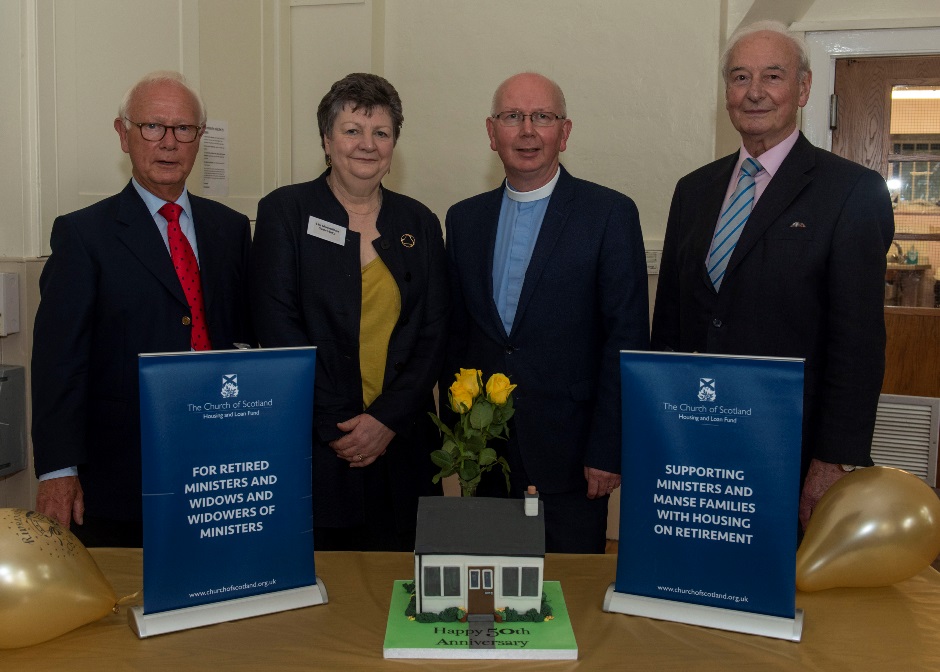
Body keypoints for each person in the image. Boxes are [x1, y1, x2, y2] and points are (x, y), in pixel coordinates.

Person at [651, 21, 895, 530]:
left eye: (773, 76)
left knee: (781, 596)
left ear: (803, 88)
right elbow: (671, 323)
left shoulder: (852, 192)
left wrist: (833, 460)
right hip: (693, 440)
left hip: (791, 449)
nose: (755, 92)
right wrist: (660, 427)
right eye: (740, 77)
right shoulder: (693, 190)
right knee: (691, 582)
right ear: (726, 94)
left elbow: (859, 342)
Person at [32, 71, 253, 547]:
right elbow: (58, 363)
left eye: (184, 129)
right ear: (123, 135)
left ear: (199, 138)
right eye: (153, 127)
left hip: (218, 466)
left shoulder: (231, 230)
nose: (169, 143)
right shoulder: (83, 235)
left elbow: (240, 337)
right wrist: (57, 469)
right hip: (119, 475)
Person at [443, 72, 649, 553]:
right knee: (488, 594)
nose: (528, 131)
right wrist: (459, 435)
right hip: (486, 450)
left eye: (543, 117)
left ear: (565, 131)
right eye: (513, 117)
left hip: (573, 454)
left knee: (569, 598)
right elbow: (457, 335)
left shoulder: (609, 213)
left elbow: (627, 338)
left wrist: (609, 447)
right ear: (492, 133)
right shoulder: (464, 219)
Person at [249, 73, 447, 551]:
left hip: (401, 444)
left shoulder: (418, 221)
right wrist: (340, 425)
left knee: (403, 596)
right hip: (317, 445)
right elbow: (277, 326)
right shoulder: (286, 212)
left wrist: (385, 421)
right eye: (352, 130)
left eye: (381, 133)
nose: (367, 145)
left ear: (394, 143)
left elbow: (434, 331)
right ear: (326, 139)